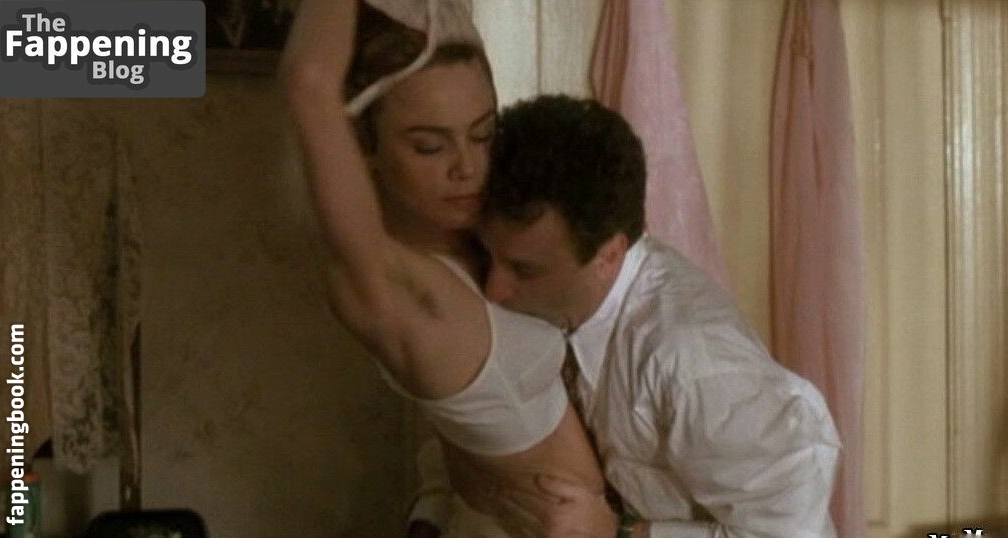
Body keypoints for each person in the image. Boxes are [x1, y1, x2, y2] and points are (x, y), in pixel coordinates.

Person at [415, 95, 843, 537]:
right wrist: (431, 513)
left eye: (524, 270)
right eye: (490, 256)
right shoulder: (535, 296)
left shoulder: (690, 361)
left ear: (609, 255)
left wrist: (622, 535)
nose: (494, 289)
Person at [279, 2, 608, 536]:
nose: (467, 167)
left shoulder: (491, 237)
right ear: (364, 146)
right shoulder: (392, 289)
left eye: (483, 134)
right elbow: (308, 81)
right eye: (429, 146)